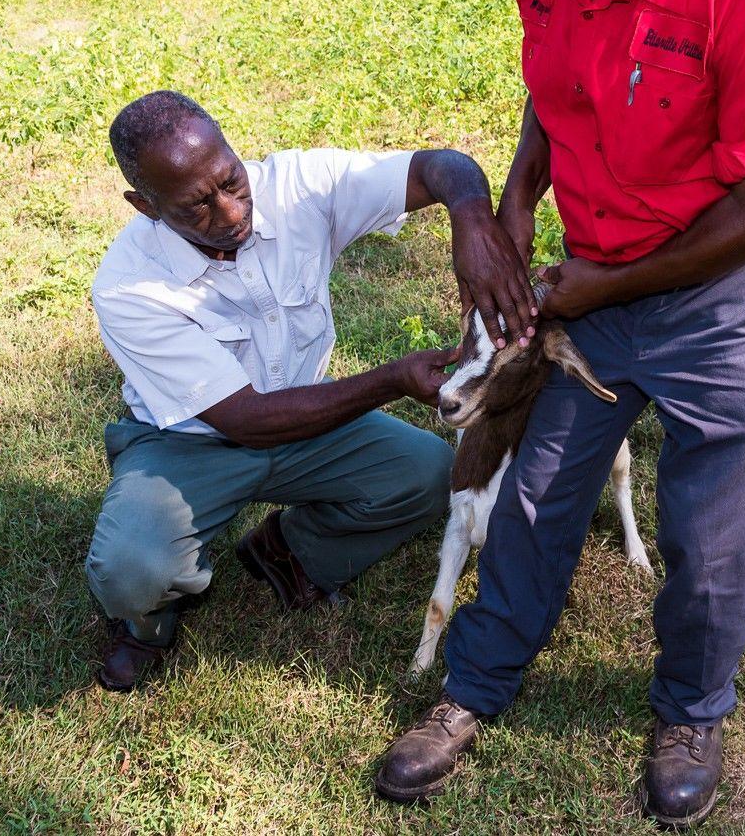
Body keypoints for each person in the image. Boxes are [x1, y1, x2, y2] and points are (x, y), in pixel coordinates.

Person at [373, 0, 745, 826]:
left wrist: (605, 285)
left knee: (709, 530)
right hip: (593, 278)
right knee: (538, 492)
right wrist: (518, 201)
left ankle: (689, 708)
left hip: (726, 299)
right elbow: (554, 87)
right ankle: (472, 690)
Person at [85, 90, 533, 691]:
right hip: (187, 442)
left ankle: (291, 552)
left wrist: (473, 221)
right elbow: (245, 420)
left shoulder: (298, 186)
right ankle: (148, 622)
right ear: (145, 205)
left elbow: (442, 166)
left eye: (230, 180)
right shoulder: (129, 286)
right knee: (130, 569)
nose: (229, 212)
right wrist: (392, 379)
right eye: (196, 207)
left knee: (430, 475)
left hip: (309, 420)